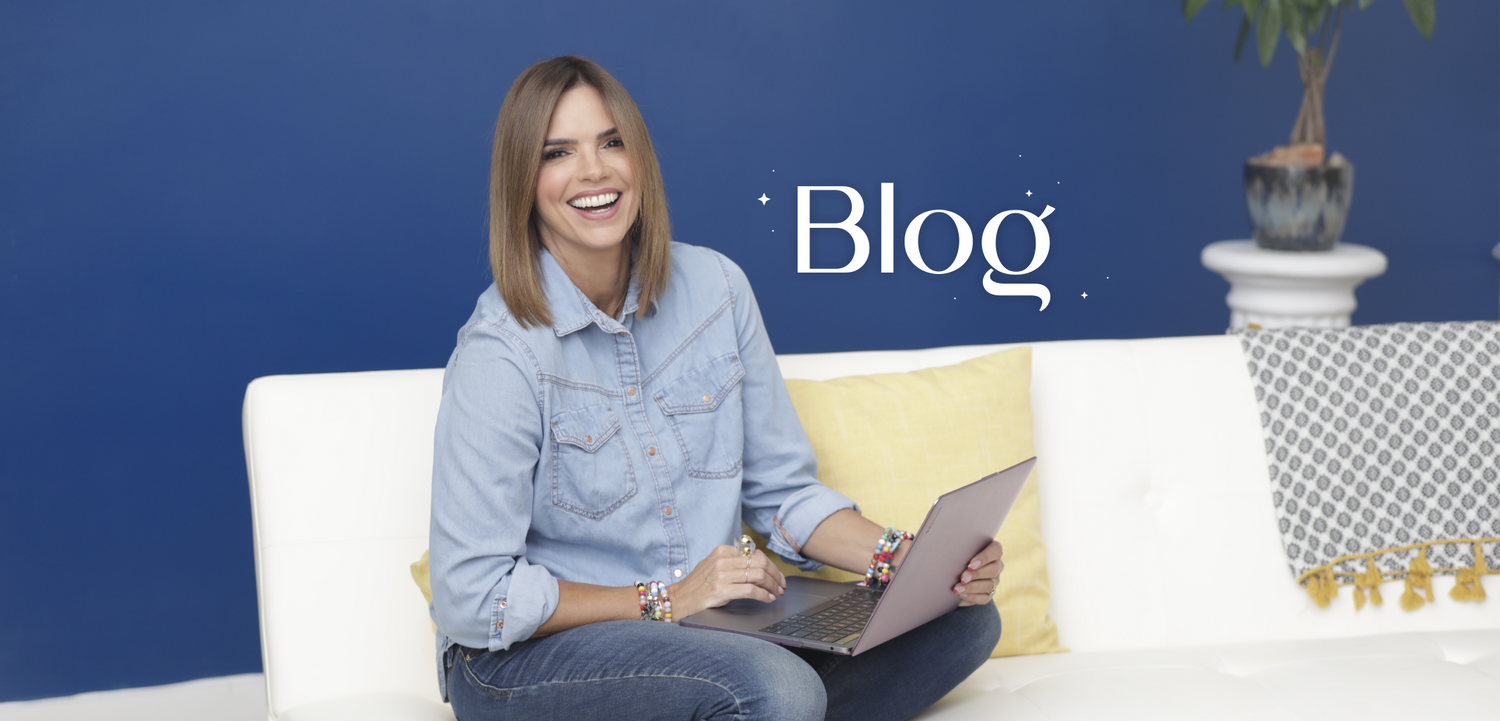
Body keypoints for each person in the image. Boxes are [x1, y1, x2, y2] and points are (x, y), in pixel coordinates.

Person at [429, 55, 1002, 721]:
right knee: (777, 690)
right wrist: (665, 599)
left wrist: (903, 559)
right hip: (525, 660)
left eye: (612, 142)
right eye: (558, 153)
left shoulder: (716, 289)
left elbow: (782, 494)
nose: (593, 170)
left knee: (959, 619)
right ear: (523, 182)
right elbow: (475, 597)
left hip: (709, 634)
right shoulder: (501, 351)